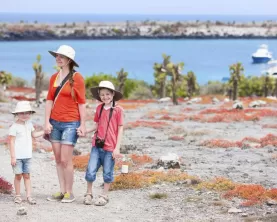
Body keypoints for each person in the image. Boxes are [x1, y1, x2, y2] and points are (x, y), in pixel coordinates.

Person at [44, 45, 86, 203]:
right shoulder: (53, 77)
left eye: (62, 56)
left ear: (69, 60)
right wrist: (46, 122)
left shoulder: (77, 78)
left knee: (65, 159)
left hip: (71, 123)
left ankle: (69, 192)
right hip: (54, 122)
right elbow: (49, 100)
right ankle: (61, 191)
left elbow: (82, 103)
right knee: (57, 159)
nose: (58, 58)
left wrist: (83, 125)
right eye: (57, 55)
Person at [82, 80, 124, 206]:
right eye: (102, 95)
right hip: (97, 145)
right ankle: (89, 193)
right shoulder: (99, 108)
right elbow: (97, 125)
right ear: (99, 96)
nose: (105, 97)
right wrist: (86, 131)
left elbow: (121, 128)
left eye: (107, 94)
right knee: (90, 169)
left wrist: (117, 148)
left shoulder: (118, 110)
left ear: (112, 94)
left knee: (108, 172)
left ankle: (104, 195)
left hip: (110, 147)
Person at [9, 101, 44, 204]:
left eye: (27, 113)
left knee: (27, 175)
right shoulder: (14, 127)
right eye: (21, 113)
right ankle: (18, 195)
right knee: (18, 175)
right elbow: (11, 142)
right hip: (17, 156)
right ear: (17, 114)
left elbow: (34, 135)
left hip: (27, 155)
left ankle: (29, 196)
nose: (24, 115)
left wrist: (44, 132)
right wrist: (13, 157)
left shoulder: (29, 124)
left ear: (30, 113)